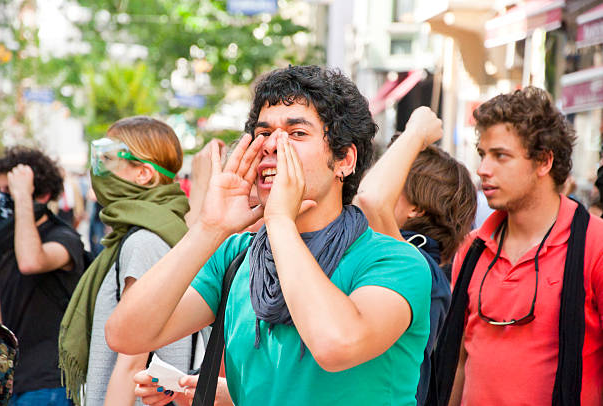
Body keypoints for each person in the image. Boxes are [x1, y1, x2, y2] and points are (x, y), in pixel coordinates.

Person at [106, 65, 432, 406]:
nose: (273, 145)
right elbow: (126, 334)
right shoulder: (235, 256)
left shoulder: (395, 261)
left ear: (344, 160)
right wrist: (209, 227)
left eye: (297, 133)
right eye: (263, 133)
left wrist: (278, 219)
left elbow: (336, 344)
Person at [432, 86, 603, 406]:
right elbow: (457, 362)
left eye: (501, 156)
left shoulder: (594, 245)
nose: (483, 169)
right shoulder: (472, 249)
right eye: (483, 154)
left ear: (543, 162)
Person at [58, 116, 207, 405]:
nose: (99, 169)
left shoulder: (144, 241)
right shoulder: (156, 229)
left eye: (110, 159)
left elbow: (130, 363)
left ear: (143, 175)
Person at [353, 107, 477, 406]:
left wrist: (416, 133)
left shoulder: (419, 266)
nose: (371, 177)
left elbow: (371, 200)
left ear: (417, 208)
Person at [0, 147, 85, 405]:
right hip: (14, 380)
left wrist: (21, 196)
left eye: (8, 191)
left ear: (41, 195)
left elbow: (31, 262)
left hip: (48, 383)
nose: (2, 199)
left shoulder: (64, 238)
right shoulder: (5, 239)